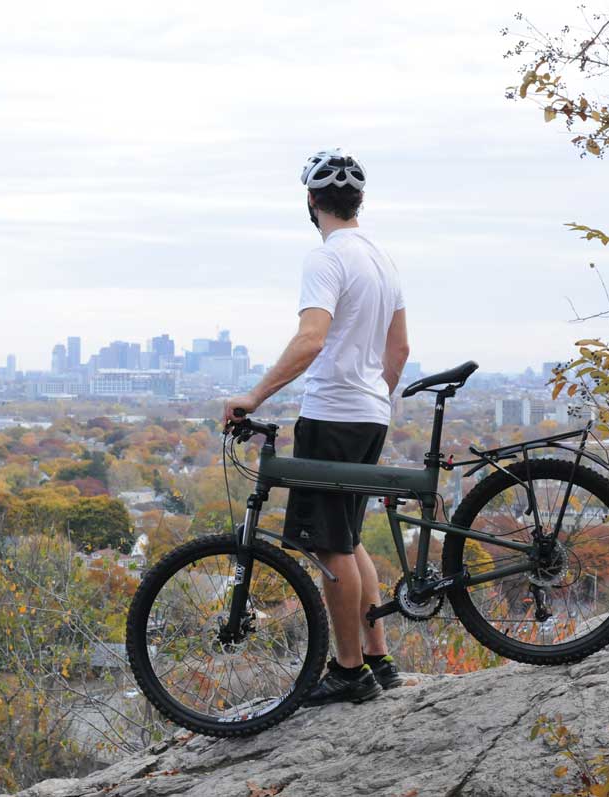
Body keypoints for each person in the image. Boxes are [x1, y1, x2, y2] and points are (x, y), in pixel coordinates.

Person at [223, 148, 410, 706]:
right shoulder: (381, 259)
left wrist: (253, 395)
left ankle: (349, 672)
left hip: (333, 412)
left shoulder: (326, 259)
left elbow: (311, 339)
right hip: (370, 413)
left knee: (330, 548)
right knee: (349, 541)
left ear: (311, 201)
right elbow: (399, 349)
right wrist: (375, 395)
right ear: (359, 201)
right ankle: (378, 658)